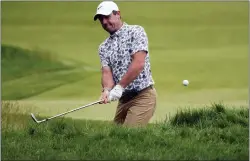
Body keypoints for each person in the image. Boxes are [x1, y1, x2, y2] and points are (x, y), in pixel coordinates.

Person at [94, 1, 157, 127]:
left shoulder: (136, 32)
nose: (104, 22)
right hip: (124, 99)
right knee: (115, 138)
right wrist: (106, 90)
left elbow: (138, 63)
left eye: (107, 17)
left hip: (143, 96)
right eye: (101, 19)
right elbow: (107, 72)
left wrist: (119, 87)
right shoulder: (103, 47)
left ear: (118, 14)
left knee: (129, 135)